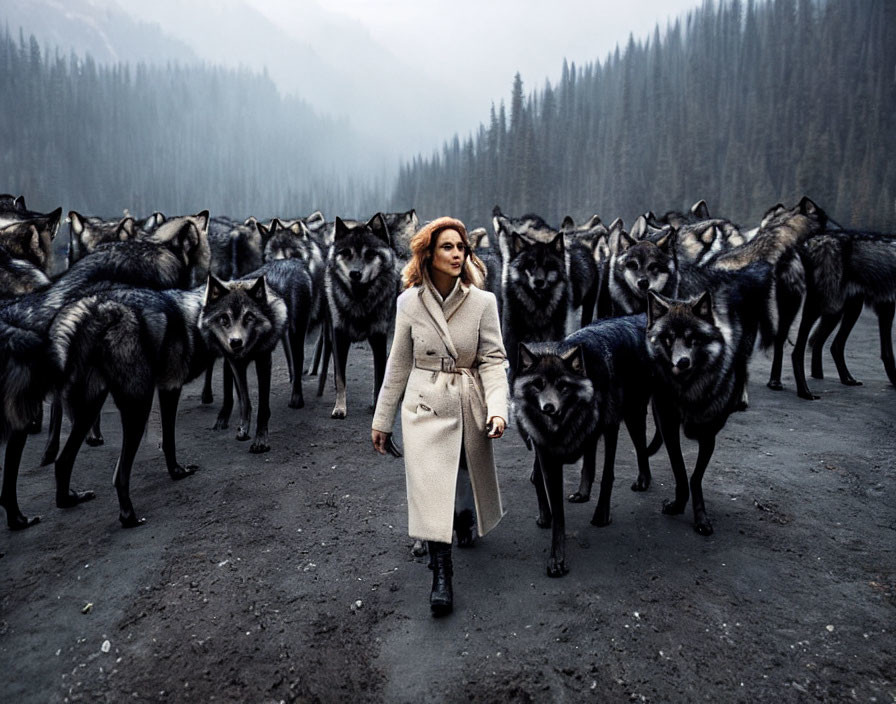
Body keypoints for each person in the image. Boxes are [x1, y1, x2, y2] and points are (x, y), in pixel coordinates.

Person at [371, 216, 509, 617]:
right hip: (424, 405)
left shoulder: (484, 303)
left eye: (461, 247)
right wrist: (382, 420)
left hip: (467, 400)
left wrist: (498, 409)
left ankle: (463, 517)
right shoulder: (408, 303)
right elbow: (398, 364)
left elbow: (493, 361)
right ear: (428, 253)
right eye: (447, 247)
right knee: (430, 483)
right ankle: (442, 575)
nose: (456, 254)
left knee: (462, 471)